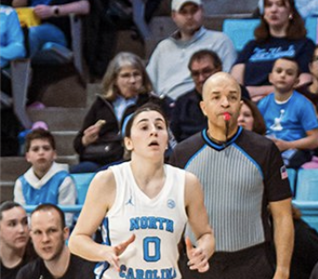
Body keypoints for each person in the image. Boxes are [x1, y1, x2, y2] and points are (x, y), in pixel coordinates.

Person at [171, 72, 295, 279]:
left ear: (240, 104)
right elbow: (174, 217)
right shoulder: (182, 153)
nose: (225, 103)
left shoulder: (264, 150)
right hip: (197, 264)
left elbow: (282, 215)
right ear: (204, 107)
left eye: (232, 97)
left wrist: (282, 270)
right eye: (216, 97)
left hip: (252, 263)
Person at [68, 105, 215, 279]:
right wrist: (103, 251)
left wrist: (203, 252)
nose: (153, 132)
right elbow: (76, 240)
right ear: (128, 142)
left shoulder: (187, 183)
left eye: (160, 127)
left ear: (167, 140)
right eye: (144, 127)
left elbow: (206, 234)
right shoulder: (108, 181)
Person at [72, 53, 165, 172]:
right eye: (125, 76)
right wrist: (86, 139)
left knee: (109, 173)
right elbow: (78, 144)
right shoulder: (101, 104)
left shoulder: (152, 103)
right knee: (77, 171)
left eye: (136, 74)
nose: (132, 80)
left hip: (133, 158)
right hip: (101, 156)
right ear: (114, 79)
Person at [146, 0, 237, 102]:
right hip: (165, 106)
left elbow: (228, 80)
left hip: (203, 102)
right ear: (174, 16)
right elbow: (149, 83)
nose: (189, 16)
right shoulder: (163, 47)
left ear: (202, 10)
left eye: (194, 11)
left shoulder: (220, 41)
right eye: (183, 12)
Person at [232, 0, 316, 102]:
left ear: (291, 11)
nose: (274, 10)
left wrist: (258, 93)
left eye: (280, 4)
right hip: (250, 108)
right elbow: (235, 85)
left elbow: (304, 85)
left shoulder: (305, 45)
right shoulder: (252, 46)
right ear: (264, 13)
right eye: (269, 5)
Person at [169, 50, 233, 142]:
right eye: (195, 74)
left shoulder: (236, 95)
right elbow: (175, 136)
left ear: (219, 69)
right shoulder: (182, 103)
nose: (201, 78)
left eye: (206, 71)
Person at [16, 204, 93, 279]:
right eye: (38, 232)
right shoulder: (27, 275)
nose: (45, 239)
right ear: (31, 236)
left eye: (52, 231)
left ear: (65, 233)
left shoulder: (91, 271)